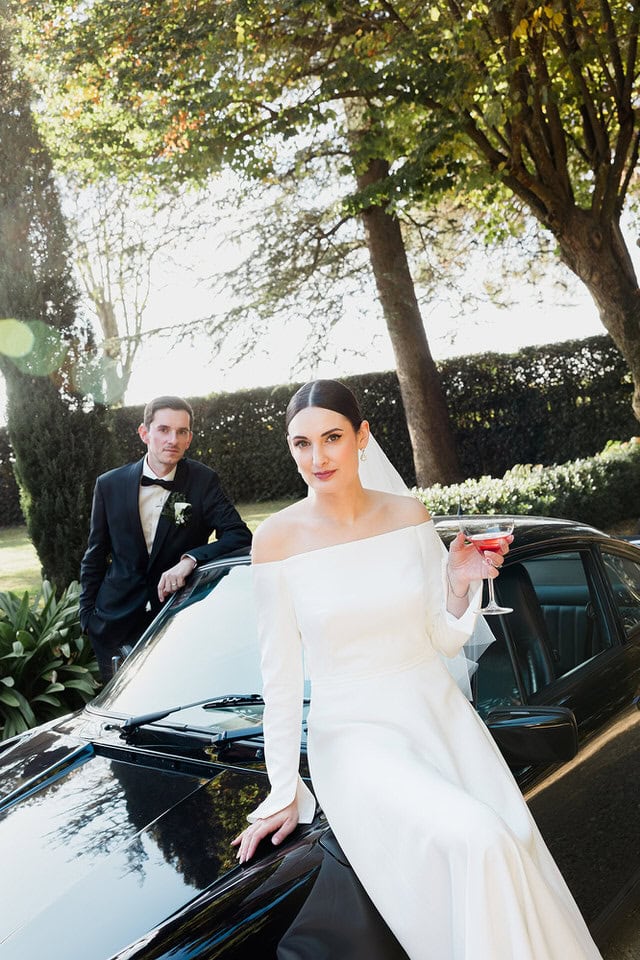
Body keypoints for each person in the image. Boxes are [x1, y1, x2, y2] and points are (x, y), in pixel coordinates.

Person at [233, 379, 602, 959]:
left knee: (512, 844)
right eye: (301, 443)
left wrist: (458, 583)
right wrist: (284, 788)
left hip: (440, 717)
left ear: (362, 437)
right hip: (355, 738)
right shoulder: (277, 540)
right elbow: (278, 677)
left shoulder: (409, 515)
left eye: (332, 438)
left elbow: (443, 636)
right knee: (479, 839)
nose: (318, 457)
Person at [80, 395, 252, 681]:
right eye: (163, 429)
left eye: (181, 432)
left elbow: (238, 535)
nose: (172, 439)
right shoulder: (109, 484)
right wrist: (87, 617)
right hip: (114, 624)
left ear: (189, 438)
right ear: (144, 433)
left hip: (178, 619)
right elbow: (95, 554)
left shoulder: (203, 480)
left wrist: (191, 559)